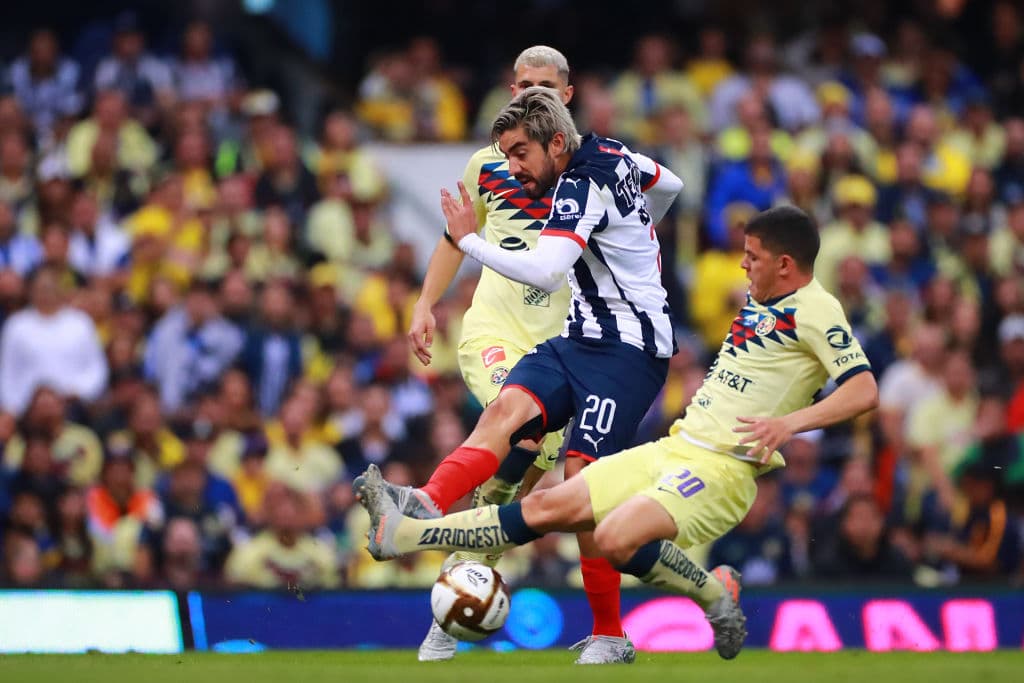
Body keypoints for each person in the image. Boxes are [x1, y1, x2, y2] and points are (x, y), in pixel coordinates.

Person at [357, 205, 879, 661]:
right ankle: (401, 534)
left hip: (722, 468)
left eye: (753, 256)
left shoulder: (817, 311)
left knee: (613, 539)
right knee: (544, 508)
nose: (743, 264)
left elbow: (863, 391)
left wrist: (788, 424)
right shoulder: (758, 299)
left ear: (786, 264)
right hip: (674, 446)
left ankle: (713, 593)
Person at [405, 48, 680, 664]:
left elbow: (655, 194)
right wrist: (426, 303)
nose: (529, 94)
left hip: (583, 337)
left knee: (546, 481)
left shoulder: (592, 170)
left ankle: (462, 586)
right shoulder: (493, 163)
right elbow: (456, 238)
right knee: (515, 428)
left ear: (565, 101)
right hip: (499, 328)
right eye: (521, 86)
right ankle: (428, 510)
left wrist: (636, 239)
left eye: (543, 87)